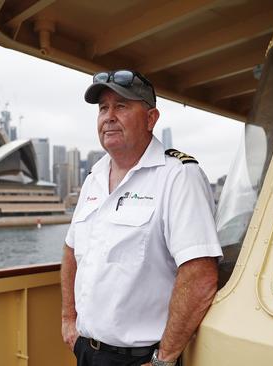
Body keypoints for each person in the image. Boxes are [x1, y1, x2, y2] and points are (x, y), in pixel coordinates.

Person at [61, 70, 222, 366]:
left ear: (151, 119)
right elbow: (72, 250)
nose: (109, 116)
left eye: (121, 106)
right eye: (103, 108)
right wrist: (68, 319)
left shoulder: (178, 176)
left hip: (141, 359)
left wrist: (164, 360)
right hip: (85, 351)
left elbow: (200, 274)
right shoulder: (93, 177)